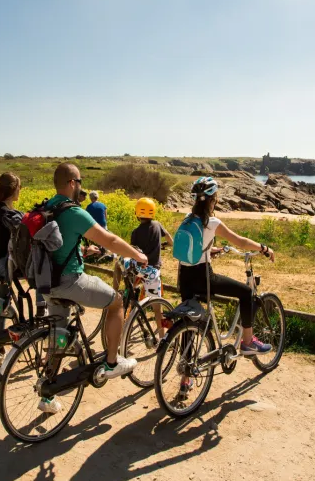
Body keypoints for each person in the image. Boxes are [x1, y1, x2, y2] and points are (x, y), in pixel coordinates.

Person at [40, 163, 148, 413]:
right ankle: (112, 362)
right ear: (70, 183)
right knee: (117, 302)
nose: (81, 185)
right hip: (70, 281)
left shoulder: (48, 207)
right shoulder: (74, 212)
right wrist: (137, 255)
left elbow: (58, 244)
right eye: (79, 181)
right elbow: (109, 239)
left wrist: (82, 251)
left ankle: (46, 396)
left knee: (59, 336)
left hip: (47, 283)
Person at [177, 177, 275, 357]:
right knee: (246, 292)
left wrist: (211, 250)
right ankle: (248, 342)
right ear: (213, 200)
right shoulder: (212, 222)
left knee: (188, 321)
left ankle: (186, 374)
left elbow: (194, 246)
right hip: (203, 278)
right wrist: (263, 248)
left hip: (184, 278)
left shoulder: (187, 219)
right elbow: (241, 242)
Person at [0, 173, 24, 364]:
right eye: (19, 187)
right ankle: (35, 323)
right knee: (41, 274)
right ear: (12, 190)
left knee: (0, 303)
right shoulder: (6, 214)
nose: (20, 191)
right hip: (3, 264)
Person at [130, 197, 173, 337]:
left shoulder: (135, 233)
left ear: (137, 213)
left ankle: (128, 325)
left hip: (139, 270)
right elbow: (169, 239)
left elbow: (134, 251)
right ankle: (162, 337)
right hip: (153, 271)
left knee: (132, 297)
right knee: (157, 307)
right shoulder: (157, 225)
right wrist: (167, 244)